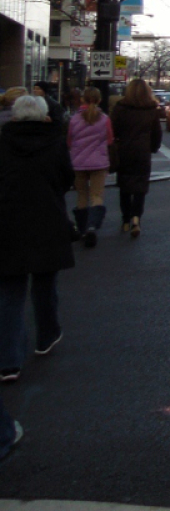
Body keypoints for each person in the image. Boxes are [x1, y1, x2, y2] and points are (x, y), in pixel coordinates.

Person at [0, 95, 75, 385]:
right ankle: (46, 335)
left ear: (15, 117)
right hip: (47, 220)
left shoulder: (3, 143)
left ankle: (8, 360)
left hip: (8, 222)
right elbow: (65, 179)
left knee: (10, 294)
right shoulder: (55, 143)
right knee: (45, 285)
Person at [109, 78, 163, 238]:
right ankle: (136, 218)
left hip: (124, 150)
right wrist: (153, 147)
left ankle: (125, 219)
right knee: (140, 187)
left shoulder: (120, 108)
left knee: (125, 187)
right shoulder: (151, 109)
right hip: (142, 151)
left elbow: (113, 130)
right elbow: (156, 133)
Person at [67, 86, 114, 249]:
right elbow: (109, 140)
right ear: (99, 100)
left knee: (81, 195)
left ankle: (81, 229)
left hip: (78, 163)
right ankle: (92, 226)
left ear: (82, 100)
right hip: (99, 162)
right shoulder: (104, 119)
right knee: (96, 195)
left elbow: (69, 142)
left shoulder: (74, 120)